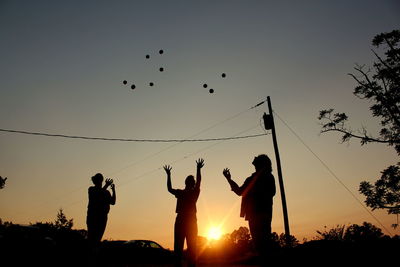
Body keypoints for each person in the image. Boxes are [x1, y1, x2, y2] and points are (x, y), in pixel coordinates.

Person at [223, 154, 275, 258]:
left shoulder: (268, 177)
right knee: (258, 244)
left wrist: (255, 193)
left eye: (256, 164)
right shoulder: (251, 179)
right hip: (253, 215)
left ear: (262, 165)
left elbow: (272, 192)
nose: (254, 166)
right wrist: (229, 179)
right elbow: (240, 191)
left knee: (264, 243)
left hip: (263, 213)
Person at [163, 158, 204, 267]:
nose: (194, 183)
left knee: (185, 248)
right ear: (190, 183)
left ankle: (186, 264)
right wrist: (198, 169)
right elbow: (169, 189)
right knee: (185, 248)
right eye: (193, 181)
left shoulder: (186, 192)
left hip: (185, 220)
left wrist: (168, 175)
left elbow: (169, 189)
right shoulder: (187, 192)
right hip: (185, 220)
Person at [86, 173, 116, 247]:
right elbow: (98, 194)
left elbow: (113, 202)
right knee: (92, 238)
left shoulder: (106, 192)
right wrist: (106, 186)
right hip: (93, 216)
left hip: (102, 217)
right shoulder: (91, 189)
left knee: (97, 238)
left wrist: (113, 190)